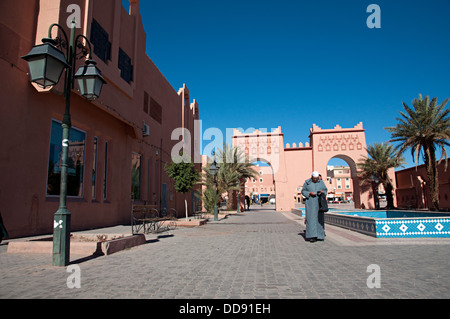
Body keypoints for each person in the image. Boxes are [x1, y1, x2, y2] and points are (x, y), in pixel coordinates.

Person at [301, 171, 328, 243]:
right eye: (314, 178)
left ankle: (320, 235)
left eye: (316, 178)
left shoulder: (321, 183)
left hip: (319, 203)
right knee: (311, 219)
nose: (315, 180)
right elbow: (303, 191)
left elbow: (325, 190)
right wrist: (309, 193)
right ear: (312, 177)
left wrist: (323, 192)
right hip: (311, 203)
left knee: (320, 219)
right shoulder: (307, 183)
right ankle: (312, 236)